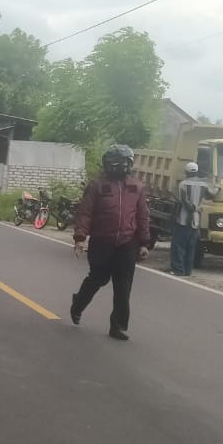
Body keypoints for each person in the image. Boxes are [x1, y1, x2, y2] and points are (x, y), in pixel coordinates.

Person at [70, 144, 150, 341]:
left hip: (127, 244)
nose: (121, 167)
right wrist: (80, 238)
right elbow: (85, 213)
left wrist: (144, 243)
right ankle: (78, 303)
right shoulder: (97, 186)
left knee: (123, 287)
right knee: (97, 278)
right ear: (108, 165)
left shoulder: (136, 187)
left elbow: (143, 216)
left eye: (125, 163)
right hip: (101, 242)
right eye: (116, 163)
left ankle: (118, 326)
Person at [170, 161, 219, 277]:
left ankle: (178, 270)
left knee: (179, 245)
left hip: (184, 220)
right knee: (191, 246)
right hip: (196, 220)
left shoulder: (183, 184)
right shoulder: (204, 184)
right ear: (197, 172)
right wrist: (218, 186)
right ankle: (188, 271)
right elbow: (212, 194)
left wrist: (192, 208)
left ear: (186, 172)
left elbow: (184, 202)